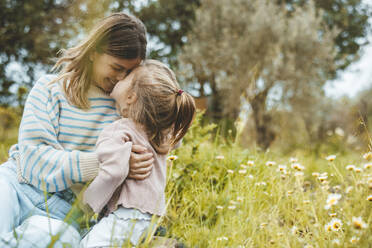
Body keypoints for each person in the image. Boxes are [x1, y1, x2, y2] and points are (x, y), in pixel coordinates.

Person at [0, 13, 154, 247]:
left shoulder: (125, 112)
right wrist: (107, 163)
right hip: (15, 185)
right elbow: (33, 161)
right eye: (116, 67)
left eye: (129, 72)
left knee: (54, 240)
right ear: (94, 52)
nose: (121, 78)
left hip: (64, 213)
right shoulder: (49, 89)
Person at [79, 59, 196, 247]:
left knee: (86, 244)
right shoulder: (161, 133)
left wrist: (87, 204)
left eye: (126, 77)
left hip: (126, 214)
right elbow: (176, 138)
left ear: (131, 97)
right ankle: (159, 244)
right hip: (151, 216)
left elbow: (113, 172)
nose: (119, 77)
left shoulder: (119, 131)